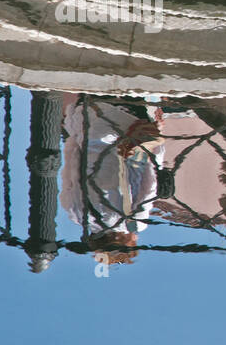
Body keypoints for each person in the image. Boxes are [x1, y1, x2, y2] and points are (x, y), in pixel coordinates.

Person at [60, 96, 166, 265]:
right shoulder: (76, 214)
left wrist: (157, 143)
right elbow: (72, 161)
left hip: (128, 125)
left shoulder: (135, 223)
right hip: (90, 120)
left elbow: (149, 184)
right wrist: (75, 130)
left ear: (128, 242)